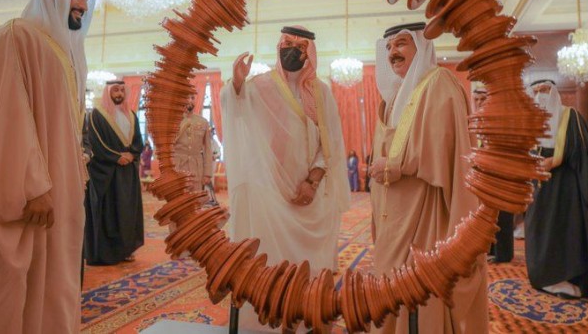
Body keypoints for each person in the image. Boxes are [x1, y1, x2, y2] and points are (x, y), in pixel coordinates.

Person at [221, 25, 350, 330]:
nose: (292, 50)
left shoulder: (321, 93)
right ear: (278, 47)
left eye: (300, 46)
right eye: (287, 43)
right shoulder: (259, 86)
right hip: (269, 197)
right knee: (268, 265)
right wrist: (236, 84)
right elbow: (236, 110)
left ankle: (306, 319)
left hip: (310, 196)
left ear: (310, 53)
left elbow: (330, 145)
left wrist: (312, 182)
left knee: (309, 268)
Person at [368, 22, 488, 333]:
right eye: (389, 47)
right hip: (392, 217)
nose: (393, 52)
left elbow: (445, 147)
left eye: (401, 44)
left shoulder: (439, 83)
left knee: (418, 296)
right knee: (389, 288)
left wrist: (395, 166)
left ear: (421, 47)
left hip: (425, 215)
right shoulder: (395, 97)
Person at [0, 0, 95, 333]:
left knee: (58, 278)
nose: (82, 5)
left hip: (63, 190)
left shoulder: (66, 55)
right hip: (36, 194)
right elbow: (9, 114)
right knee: (24, 281)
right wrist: (33, 184)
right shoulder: (18, 36)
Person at [525, 79, 588, 298]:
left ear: (554, 91)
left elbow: (582, 149)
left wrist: (555, 160)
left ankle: (565, 279)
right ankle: (543, 277)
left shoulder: (569, 116)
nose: (541, 94)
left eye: (545, 89)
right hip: (539, 187)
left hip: (565, 188)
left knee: (563, 231)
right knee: (537, 229)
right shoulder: (531, 119)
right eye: (537, 91)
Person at [85, 80, 144, 265]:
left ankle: (126, 249)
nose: (119, 94)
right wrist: (115, 157)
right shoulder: (97, 115)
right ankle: (109, 252)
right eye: (115, 90)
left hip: (128, 172)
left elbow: (138, 140)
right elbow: (96, 142)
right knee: (110, 212)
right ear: (108, 92)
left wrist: (132, 154)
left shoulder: (131, 115)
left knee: (127, 211)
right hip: (107, 172)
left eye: (122, 90)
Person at [473, 86, 514, 263]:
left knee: (502, 216)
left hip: (502, 175)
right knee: (487, 215)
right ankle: (490, 250)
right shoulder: (476, 120)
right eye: (476, 99)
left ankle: (503, 254)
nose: (479, 103)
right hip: (484, 176)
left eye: (483, 99)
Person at [173, 93, 214, 203]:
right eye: (187, 97)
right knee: (178, 202)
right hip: (178, 167)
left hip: (196, 168)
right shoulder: (173, 121)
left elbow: (207, 149)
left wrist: (207, 173)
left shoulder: (203, 122)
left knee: (196, 202)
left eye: (192, 98)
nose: (190, 100)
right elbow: (168, 145)